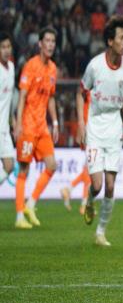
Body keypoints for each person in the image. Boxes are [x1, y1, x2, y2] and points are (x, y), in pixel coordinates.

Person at [76, 14, 123, 246]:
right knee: (98, 185)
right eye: (121, 38)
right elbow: (80, 93)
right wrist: (81, 123)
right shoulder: (95, 66)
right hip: (94, 126)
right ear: (110, 41)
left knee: (110, 186)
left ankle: (100, 232)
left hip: (114, 128)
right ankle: (90, 199)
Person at [14, 27, 59, 229]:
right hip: (28, 126)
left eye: (53, 41)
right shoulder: (30, 66)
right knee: (24, 169)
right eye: (47, 41)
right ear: (40, 44)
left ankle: (30, 205)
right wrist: (18, 123)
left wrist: (55, 122)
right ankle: (19, 216)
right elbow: (22, 96)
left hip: (42, 127)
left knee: (52, 165)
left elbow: (51, 97)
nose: (50, 44)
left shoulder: (53, 69)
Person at [60, 91, 91, 215]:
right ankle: (84, 204)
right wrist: (81, 123)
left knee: (89, 167)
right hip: (90, 128)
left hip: (95, 128)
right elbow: (79, 95)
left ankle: (68, 189)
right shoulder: (91, 84)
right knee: (91, 168)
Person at [0, 32, 16, 187]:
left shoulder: (11, 68)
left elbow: (9, 99)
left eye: (8, 46)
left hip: (4, 128)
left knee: (9, 165)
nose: (6, 50)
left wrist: (14, 121)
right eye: (3, 47)